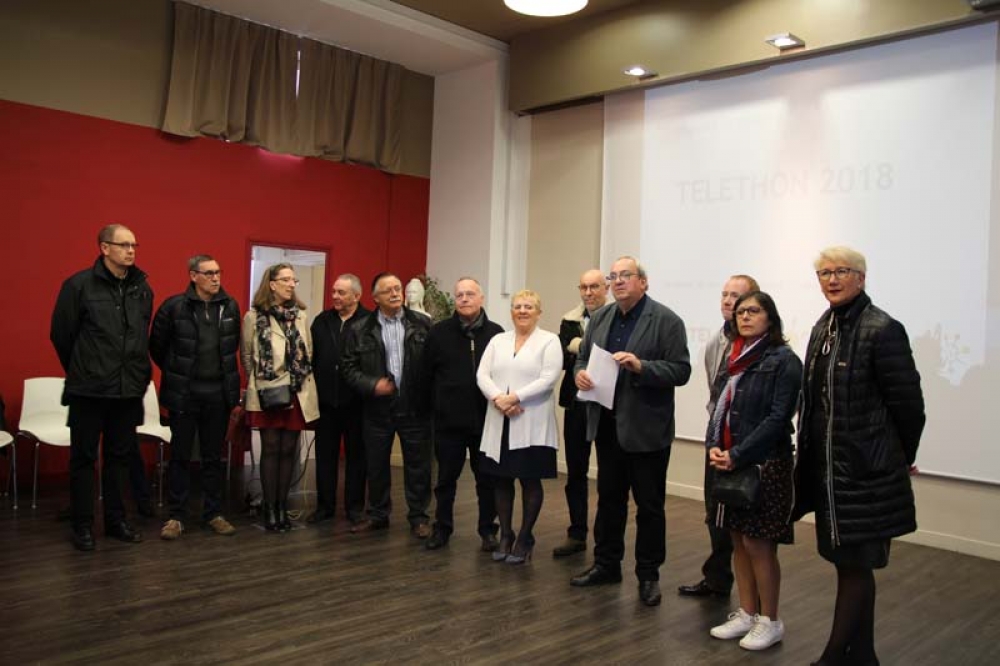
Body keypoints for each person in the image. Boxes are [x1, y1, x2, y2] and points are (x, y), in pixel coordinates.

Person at [796, 247, 925, 666]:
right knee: (849, 563)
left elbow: (909, 405)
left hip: (866, 472)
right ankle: (864, 655)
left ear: (861, 278)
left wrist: (900, 454)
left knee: (855, 563)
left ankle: (833, 656)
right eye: (824, 273)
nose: (832, 280)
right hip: (830, 472)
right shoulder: (824, 326)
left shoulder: (882, 329)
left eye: (841, 271)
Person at [570, 256, 691, 607]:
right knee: (609, 500)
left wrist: (642, 367)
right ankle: (606, 564)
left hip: (646, 429)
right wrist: (580, 374)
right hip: (607, 425)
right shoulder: (601, 317)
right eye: (614, 276)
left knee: (649, 506)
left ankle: (648, 575)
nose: (619, 281)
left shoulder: (667, 320)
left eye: (626, 275)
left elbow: (681, 370)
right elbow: (583, 358)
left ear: (644, 282)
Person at [706, 291, 801, 651]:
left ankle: (770, 620)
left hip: (766, 463)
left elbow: (778, 418)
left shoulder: (783, 360)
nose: (745, 317)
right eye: (741, 312)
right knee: (738, 540)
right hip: (731, 460)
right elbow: (720, 407)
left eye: (754, 311)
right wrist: (715, 445)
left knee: (759, 544)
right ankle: (746, 613)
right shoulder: (736, 357)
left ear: (770, 318)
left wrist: (738, 453)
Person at [50, 224, 152, 551]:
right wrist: (84, 368)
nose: (131, 251)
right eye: (123, 245)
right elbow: (61, 335)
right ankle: (82, 525)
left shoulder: (141, 289)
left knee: (119, 458)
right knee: (83, 459)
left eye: (134, 245)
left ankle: (115, 521)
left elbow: (141, 336)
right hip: (89, 390)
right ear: (104, 248)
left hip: (127, 390)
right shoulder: (78, 285)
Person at [150, 254, 241, 540]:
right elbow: (157, 347)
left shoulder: (230, 306)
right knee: (180, 456)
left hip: (218, 395)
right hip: (185, 394)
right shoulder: (174, 307)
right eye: (209, 273)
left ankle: (213, 513)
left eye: (218, 272)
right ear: (193, 276)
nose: (216, 278)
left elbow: (232, 346)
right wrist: (177, 371)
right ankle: (177, 516)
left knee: (213, 457)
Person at [679, 274, 759, 598]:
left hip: (748, 441)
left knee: (747, 518)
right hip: (717, 434)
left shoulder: (762, 346)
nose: (727, 301)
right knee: (715, 509)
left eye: (735, 295)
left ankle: (754, 597)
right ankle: (717, 578)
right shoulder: (717, 341)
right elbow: (715, 389)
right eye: (724, 294)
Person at [341, 272, 433, 537]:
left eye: (397, 288)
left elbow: (434, 364)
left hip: (414, 406)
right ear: (375, 298)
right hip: (377, 408)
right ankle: (378, 515)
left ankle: (419, 518)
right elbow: (348, 368)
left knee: (418, 465)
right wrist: (373, 385)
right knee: (376, 465)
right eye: (388, 290)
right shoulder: (360, 328)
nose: (395, 293)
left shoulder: (423, 324)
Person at [476, 289, 562, 564]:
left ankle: (525, 537)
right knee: (501, 480)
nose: (522, 311)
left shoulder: (549, 341)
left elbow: (548, 378)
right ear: (511, 311)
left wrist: (514, 398)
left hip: (531, 421)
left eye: (528, 306)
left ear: (538, 312)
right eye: (517, 306)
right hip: (500, 419)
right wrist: (499, 399)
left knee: (529, 479)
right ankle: (505, 534)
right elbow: (482, 374)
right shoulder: (498, 340)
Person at [422, 277, 504, 551]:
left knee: (487, 481)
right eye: (459, 295)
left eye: (470, 294)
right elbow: (425, 374)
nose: (464, 299)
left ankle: (488, 531)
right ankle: (442, 529)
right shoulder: (438, 333)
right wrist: (433, 408)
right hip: (448, 422)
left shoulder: (497, 334)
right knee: (445, 481)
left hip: (485, 422)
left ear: (481, 298)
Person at [241, 263, 320, 532]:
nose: (290, 284)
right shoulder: (254, 316)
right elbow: (247, 356)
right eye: (285, 279)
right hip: (268, 391)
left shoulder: (301, 315)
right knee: (271, 447)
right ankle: (269, 508)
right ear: (272, 284)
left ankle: (282, 507)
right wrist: (261, 381)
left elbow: (308, 351)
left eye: (293, 280)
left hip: (297, 391)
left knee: (289, 449)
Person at [552, 269, 608, 558]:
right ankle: (577, 534)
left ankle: (605, 539)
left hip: (607, 405)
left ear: (606, 288)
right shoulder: (570, 319)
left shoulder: (617, 318)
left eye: (594, 287)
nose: (588, 293)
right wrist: (575, 348)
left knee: (609, 475)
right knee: (576, 471)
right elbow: (562, 358)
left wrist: (577, 345)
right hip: (576, 403)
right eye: (584, 287)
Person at [308, 273, 370, 526]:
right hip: (326, 403)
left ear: (357, 296)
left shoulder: (369, 322)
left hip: (357, 403)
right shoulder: (322, 321)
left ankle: (354, 508)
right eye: (334, 291)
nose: (335, 296)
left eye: (341, 292)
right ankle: (324, 507)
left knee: (357, 458)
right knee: (325, 457)